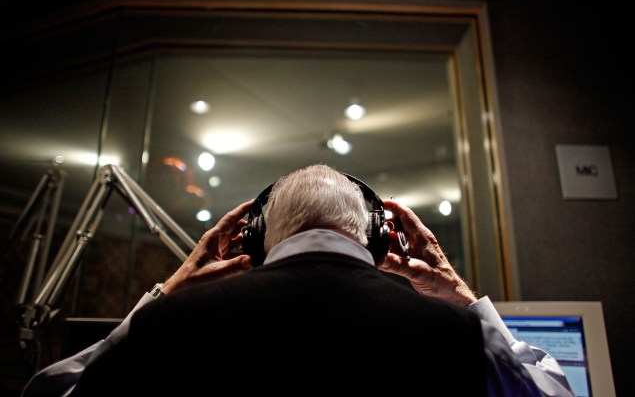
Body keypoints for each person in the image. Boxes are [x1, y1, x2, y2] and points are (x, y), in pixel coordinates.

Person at [22, 164, 574, 396]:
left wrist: (165, 298)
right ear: (379, 240)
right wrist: (464, 303)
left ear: (258, 237)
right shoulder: (455, 337)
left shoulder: (171, 325)